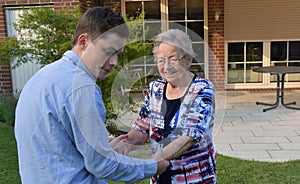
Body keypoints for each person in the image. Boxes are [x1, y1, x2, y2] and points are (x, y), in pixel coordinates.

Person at [14, 6, 169, 184]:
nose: (114, 62)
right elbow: (102, 165)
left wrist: (104, 149)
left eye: (118, 54)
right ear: (83, 42)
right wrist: (153, 166)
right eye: (108, 52)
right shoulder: (81, 87)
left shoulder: (42, 77)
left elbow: (59, 150)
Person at [114, 29, 217, 183]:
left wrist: (151, 163)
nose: (166, 66)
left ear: (188, 60)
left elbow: (188, 138)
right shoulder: (155, 88)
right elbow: (142, 128)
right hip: (160, 178)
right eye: (161, 60)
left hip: (194, 178)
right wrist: (125, 143)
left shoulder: (202, 89)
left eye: (173, 59)